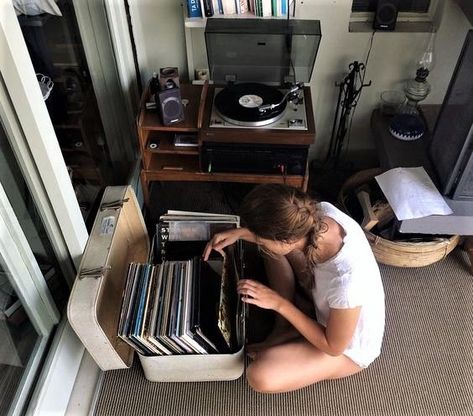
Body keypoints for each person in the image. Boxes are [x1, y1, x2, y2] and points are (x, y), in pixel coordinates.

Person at [203, 183, 385, 393]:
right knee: (270, 251)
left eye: (259, 235)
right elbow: (282, 242)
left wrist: (278, 303)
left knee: (260, 375)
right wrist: (242, 233)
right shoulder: (317, 213)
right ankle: (285, 328)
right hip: (323, 296)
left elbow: (333, 347)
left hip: (346, 349)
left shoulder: (347, 284)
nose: (255, 238)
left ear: (286, 240)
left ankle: (294, 320)